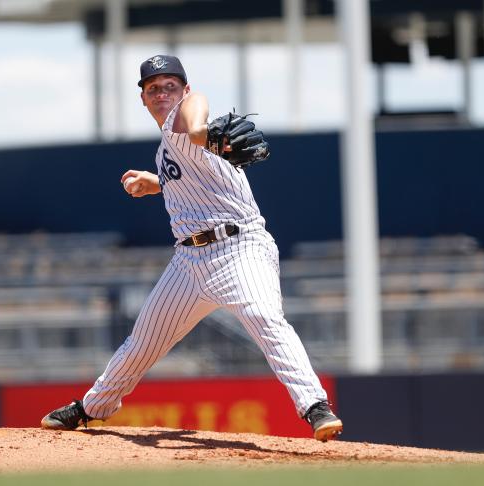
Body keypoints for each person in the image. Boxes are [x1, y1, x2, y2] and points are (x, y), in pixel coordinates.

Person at [41, 54, 343, 441]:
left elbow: (192, 117)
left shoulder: (187, 114)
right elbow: (192, 172)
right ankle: (92, 408)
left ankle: (315, 406)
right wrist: (157, 181)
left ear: (183, 89)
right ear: (143, 99)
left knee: (266, 319)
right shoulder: (167, 148)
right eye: (153, 88)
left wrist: (201, 128)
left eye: (170, 85)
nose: (162, 92)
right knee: (142, 343)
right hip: (189, 261)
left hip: (239, 248)